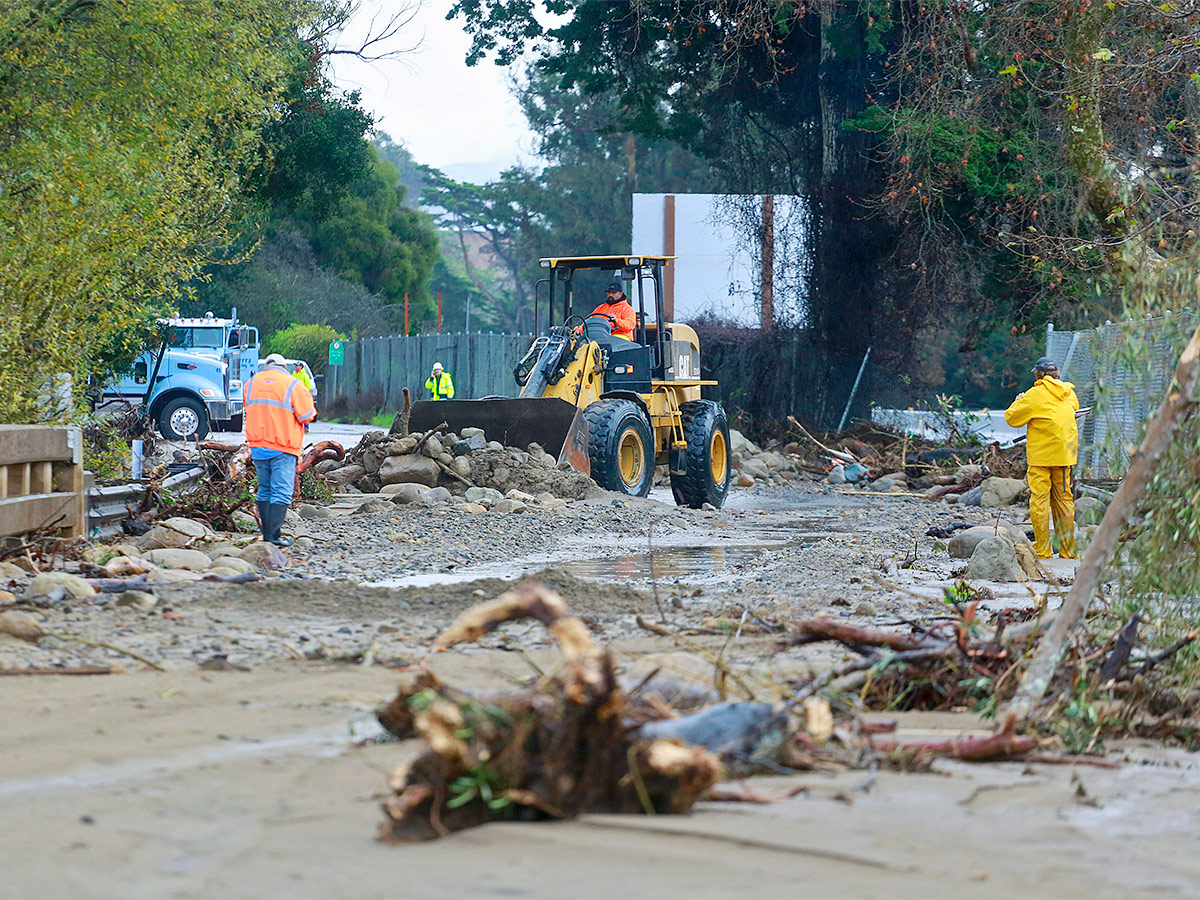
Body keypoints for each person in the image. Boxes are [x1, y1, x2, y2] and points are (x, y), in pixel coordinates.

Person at [1004, 356, 1079, 559]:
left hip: (1041, 458)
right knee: (1064, 500)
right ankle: (1068, 550)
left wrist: (1017, 401)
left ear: (1037, 374)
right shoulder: (1069, 393)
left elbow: (1012, 418)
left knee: (1039, 500)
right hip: (1064, 456)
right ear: (1057, 374)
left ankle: (1043, 550)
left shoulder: (1034, 394)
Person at [245, 353, 316, 547]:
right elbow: (307, 416)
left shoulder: (250, 384)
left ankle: (268, 537)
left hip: (258, 446)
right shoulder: (292, 384)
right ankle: (272, 537)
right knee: (282, 492)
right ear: (284, 367)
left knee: (265, 490)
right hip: (283, 446)